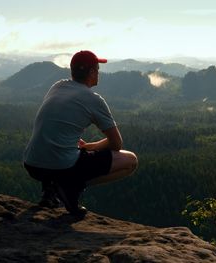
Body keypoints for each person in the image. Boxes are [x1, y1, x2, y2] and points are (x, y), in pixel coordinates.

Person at [23, 50, 138, 217]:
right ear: (91, 72)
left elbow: (54, 123)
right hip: (62, 166)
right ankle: (70, 186)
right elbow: (116, 144)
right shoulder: (94, 100)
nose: (99, 72)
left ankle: (51, 187)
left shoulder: (58, 86)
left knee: (66, 158)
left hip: (32, 164)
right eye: (97, 68)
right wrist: (91, 146)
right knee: (131, 161)